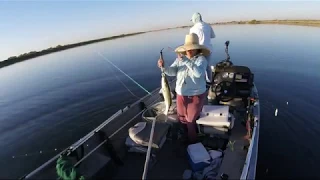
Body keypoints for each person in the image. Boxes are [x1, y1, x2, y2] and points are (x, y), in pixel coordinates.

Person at [157, 33, 211, 144]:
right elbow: (172, 72)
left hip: (195, 95)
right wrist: (164, 67)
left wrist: (186, 61)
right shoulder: (180, 59)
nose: (189, 51)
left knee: (190, 121)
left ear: (197, 49)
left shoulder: (201, 60)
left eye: (192, 48)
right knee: (181, 118)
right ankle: (184, 136)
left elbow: (198, 73)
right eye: (187, 49)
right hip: (181, 94)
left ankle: (193, 142)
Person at [189, 12, 216, 88]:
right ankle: (209, 82)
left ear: (194, 20)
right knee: (208, 66)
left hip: (199, 51)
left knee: (199, 68)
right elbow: (212, 36)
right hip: (208, 50)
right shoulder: (208, 26)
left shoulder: (192, 29)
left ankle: (201, 84)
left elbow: (191, 41)